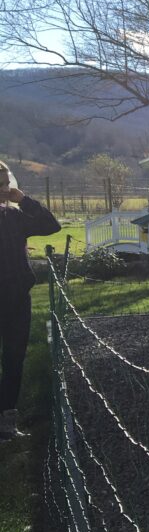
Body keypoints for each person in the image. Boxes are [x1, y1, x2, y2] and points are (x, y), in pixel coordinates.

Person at [0, 162, 60, 440]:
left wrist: (24, 200)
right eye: (1, 184)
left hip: (16, 300)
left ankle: (7, 421)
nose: (5, 188)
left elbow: (51, 225)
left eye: (6, 182)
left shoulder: (13, 217)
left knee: (14, 359)